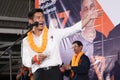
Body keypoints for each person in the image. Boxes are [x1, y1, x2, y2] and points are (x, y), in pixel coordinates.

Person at [21, 8, 101, 80]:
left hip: (55, 73)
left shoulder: (53, 33)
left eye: (42, 17)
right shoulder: (26, 40)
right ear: (31, 21)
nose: (42, 20)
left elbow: (73, 29)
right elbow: (25, 60)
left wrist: (89, 17)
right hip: (39, 74)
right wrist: (34, 59)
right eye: (38, 18)